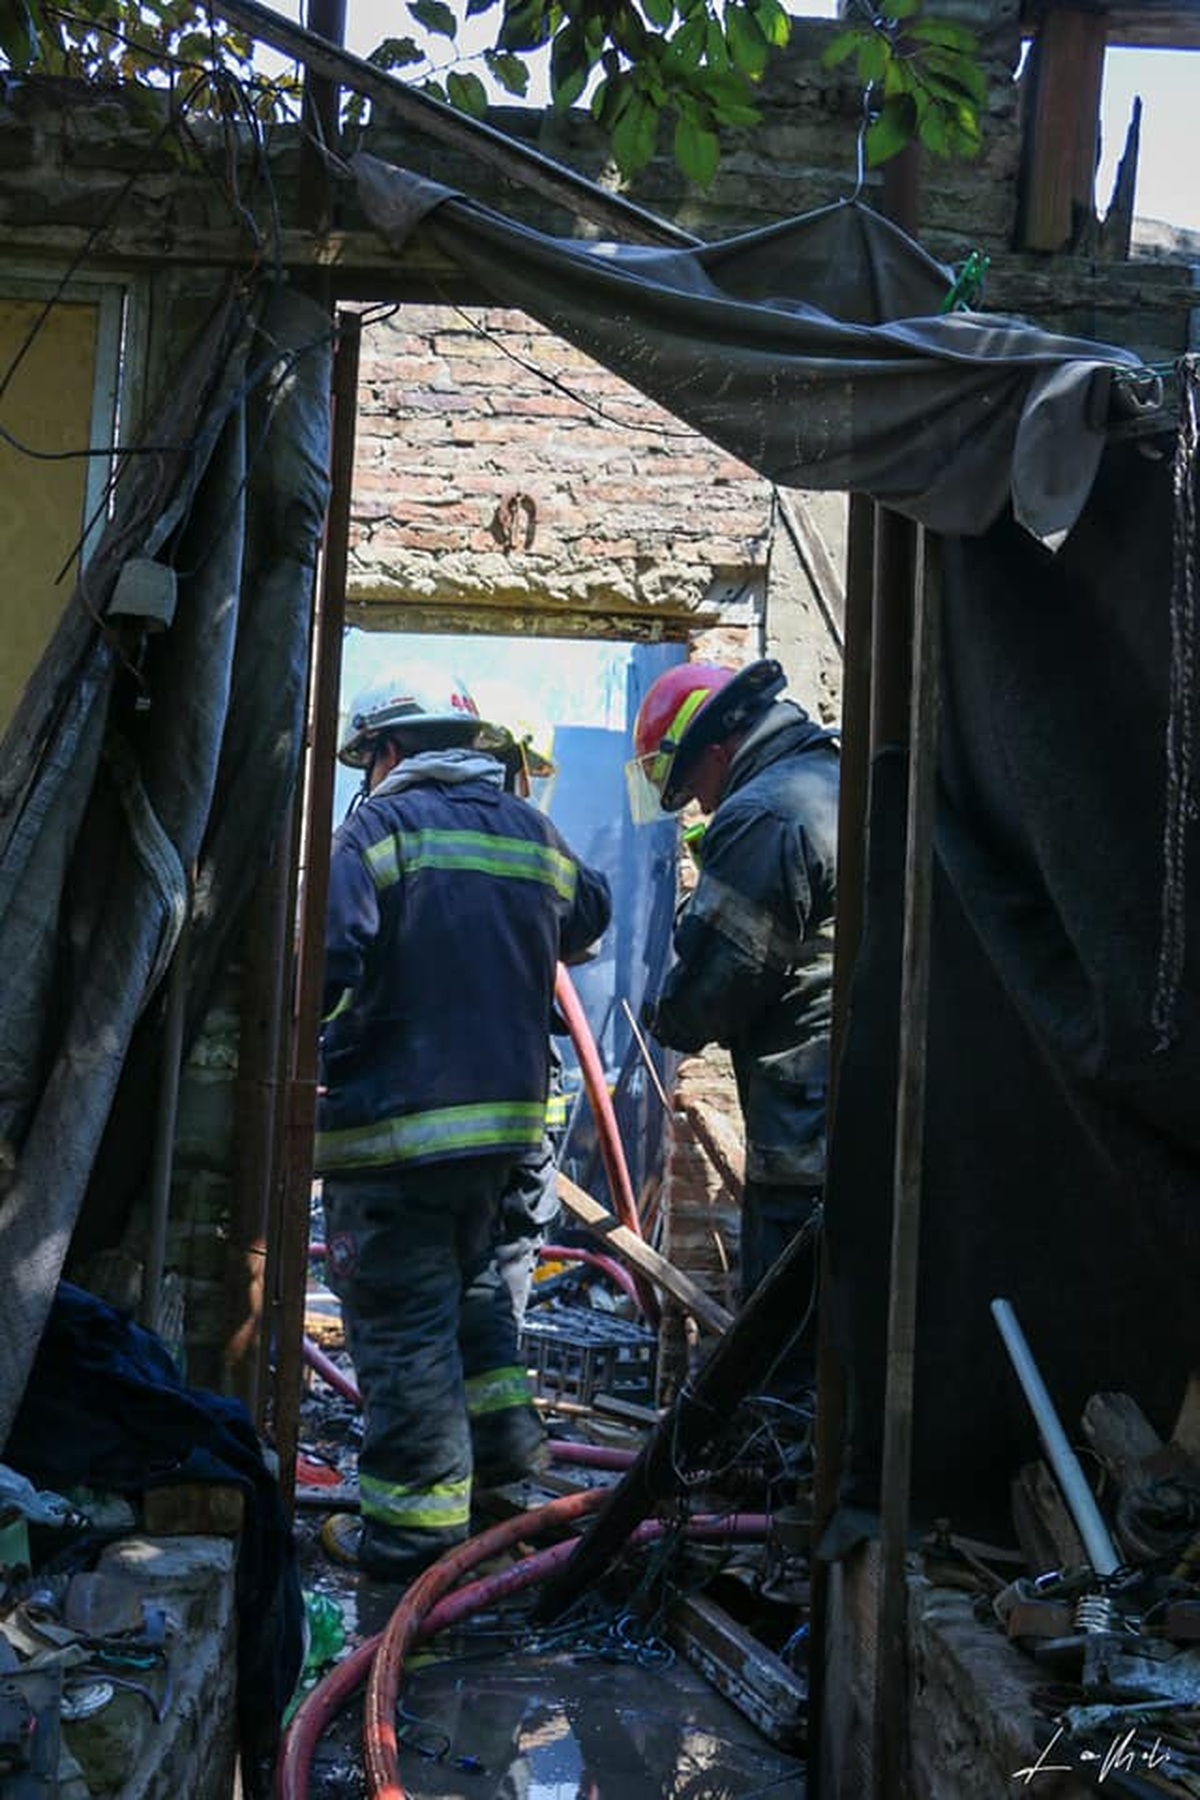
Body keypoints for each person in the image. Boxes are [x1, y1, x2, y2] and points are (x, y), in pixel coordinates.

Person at [316, 663, 611, 1583]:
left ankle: (413, 1540)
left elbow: (320, 965)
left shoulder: (373, 833)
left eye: (367, 758)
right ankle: (509, 1489)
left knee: (405, 1332)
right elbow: (589, 915)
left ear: (391, 752)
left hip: (397, 1142)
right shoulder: (536, 834)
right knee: (483, 1325)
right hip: (511, 1143)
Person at [627, 657, 838, 1329]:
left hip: (810, 1133)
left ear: (718, 749)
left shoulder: (765, 813)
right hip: (865, 1120)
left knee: (786, 1347)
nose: (701, 806)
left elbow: (720, 982)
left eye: (693, 785)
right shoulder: (832, 778)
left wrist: (668, 1017)